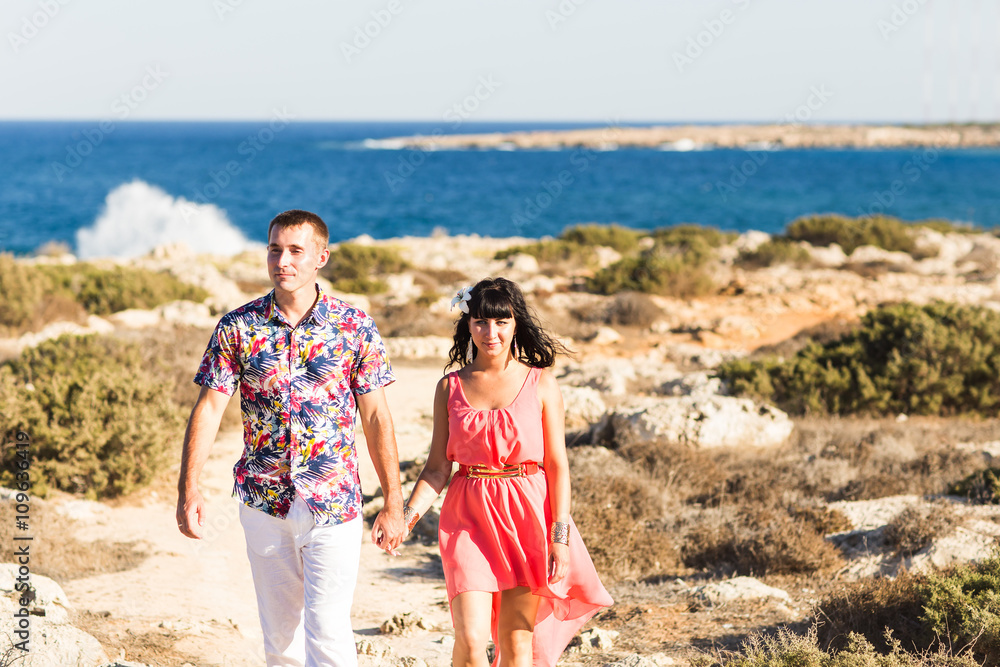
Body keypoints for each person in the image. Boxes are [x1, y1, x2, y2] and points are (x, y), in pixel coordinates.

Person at [176, 209, 405, 667]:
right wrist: (189, 488)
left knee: (330, 635)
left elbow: (377, 415)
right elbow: (209, 407)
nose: (283, 260)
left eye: (296, 251)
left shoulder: (354, 326)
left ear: (321, 257)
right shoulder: (237, 327)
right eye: (275, 249)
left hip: (334, 502)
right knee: (281, 641)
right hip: (264, 502)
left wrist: (394, 503)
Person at [402, 277, 612, 667]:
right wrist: (406, 517)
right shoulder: (450, 387)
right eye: (480, 321)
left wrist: (559, 536)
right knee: (469, 638)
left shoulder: (542, 383)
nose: (490, 332)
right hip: (468, 515)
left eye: (501, 322)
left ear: (516, 324)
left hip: (527, 516)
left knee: (516, 648)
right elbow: (435, 468)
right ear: (468, 325)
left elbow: (557, 466)